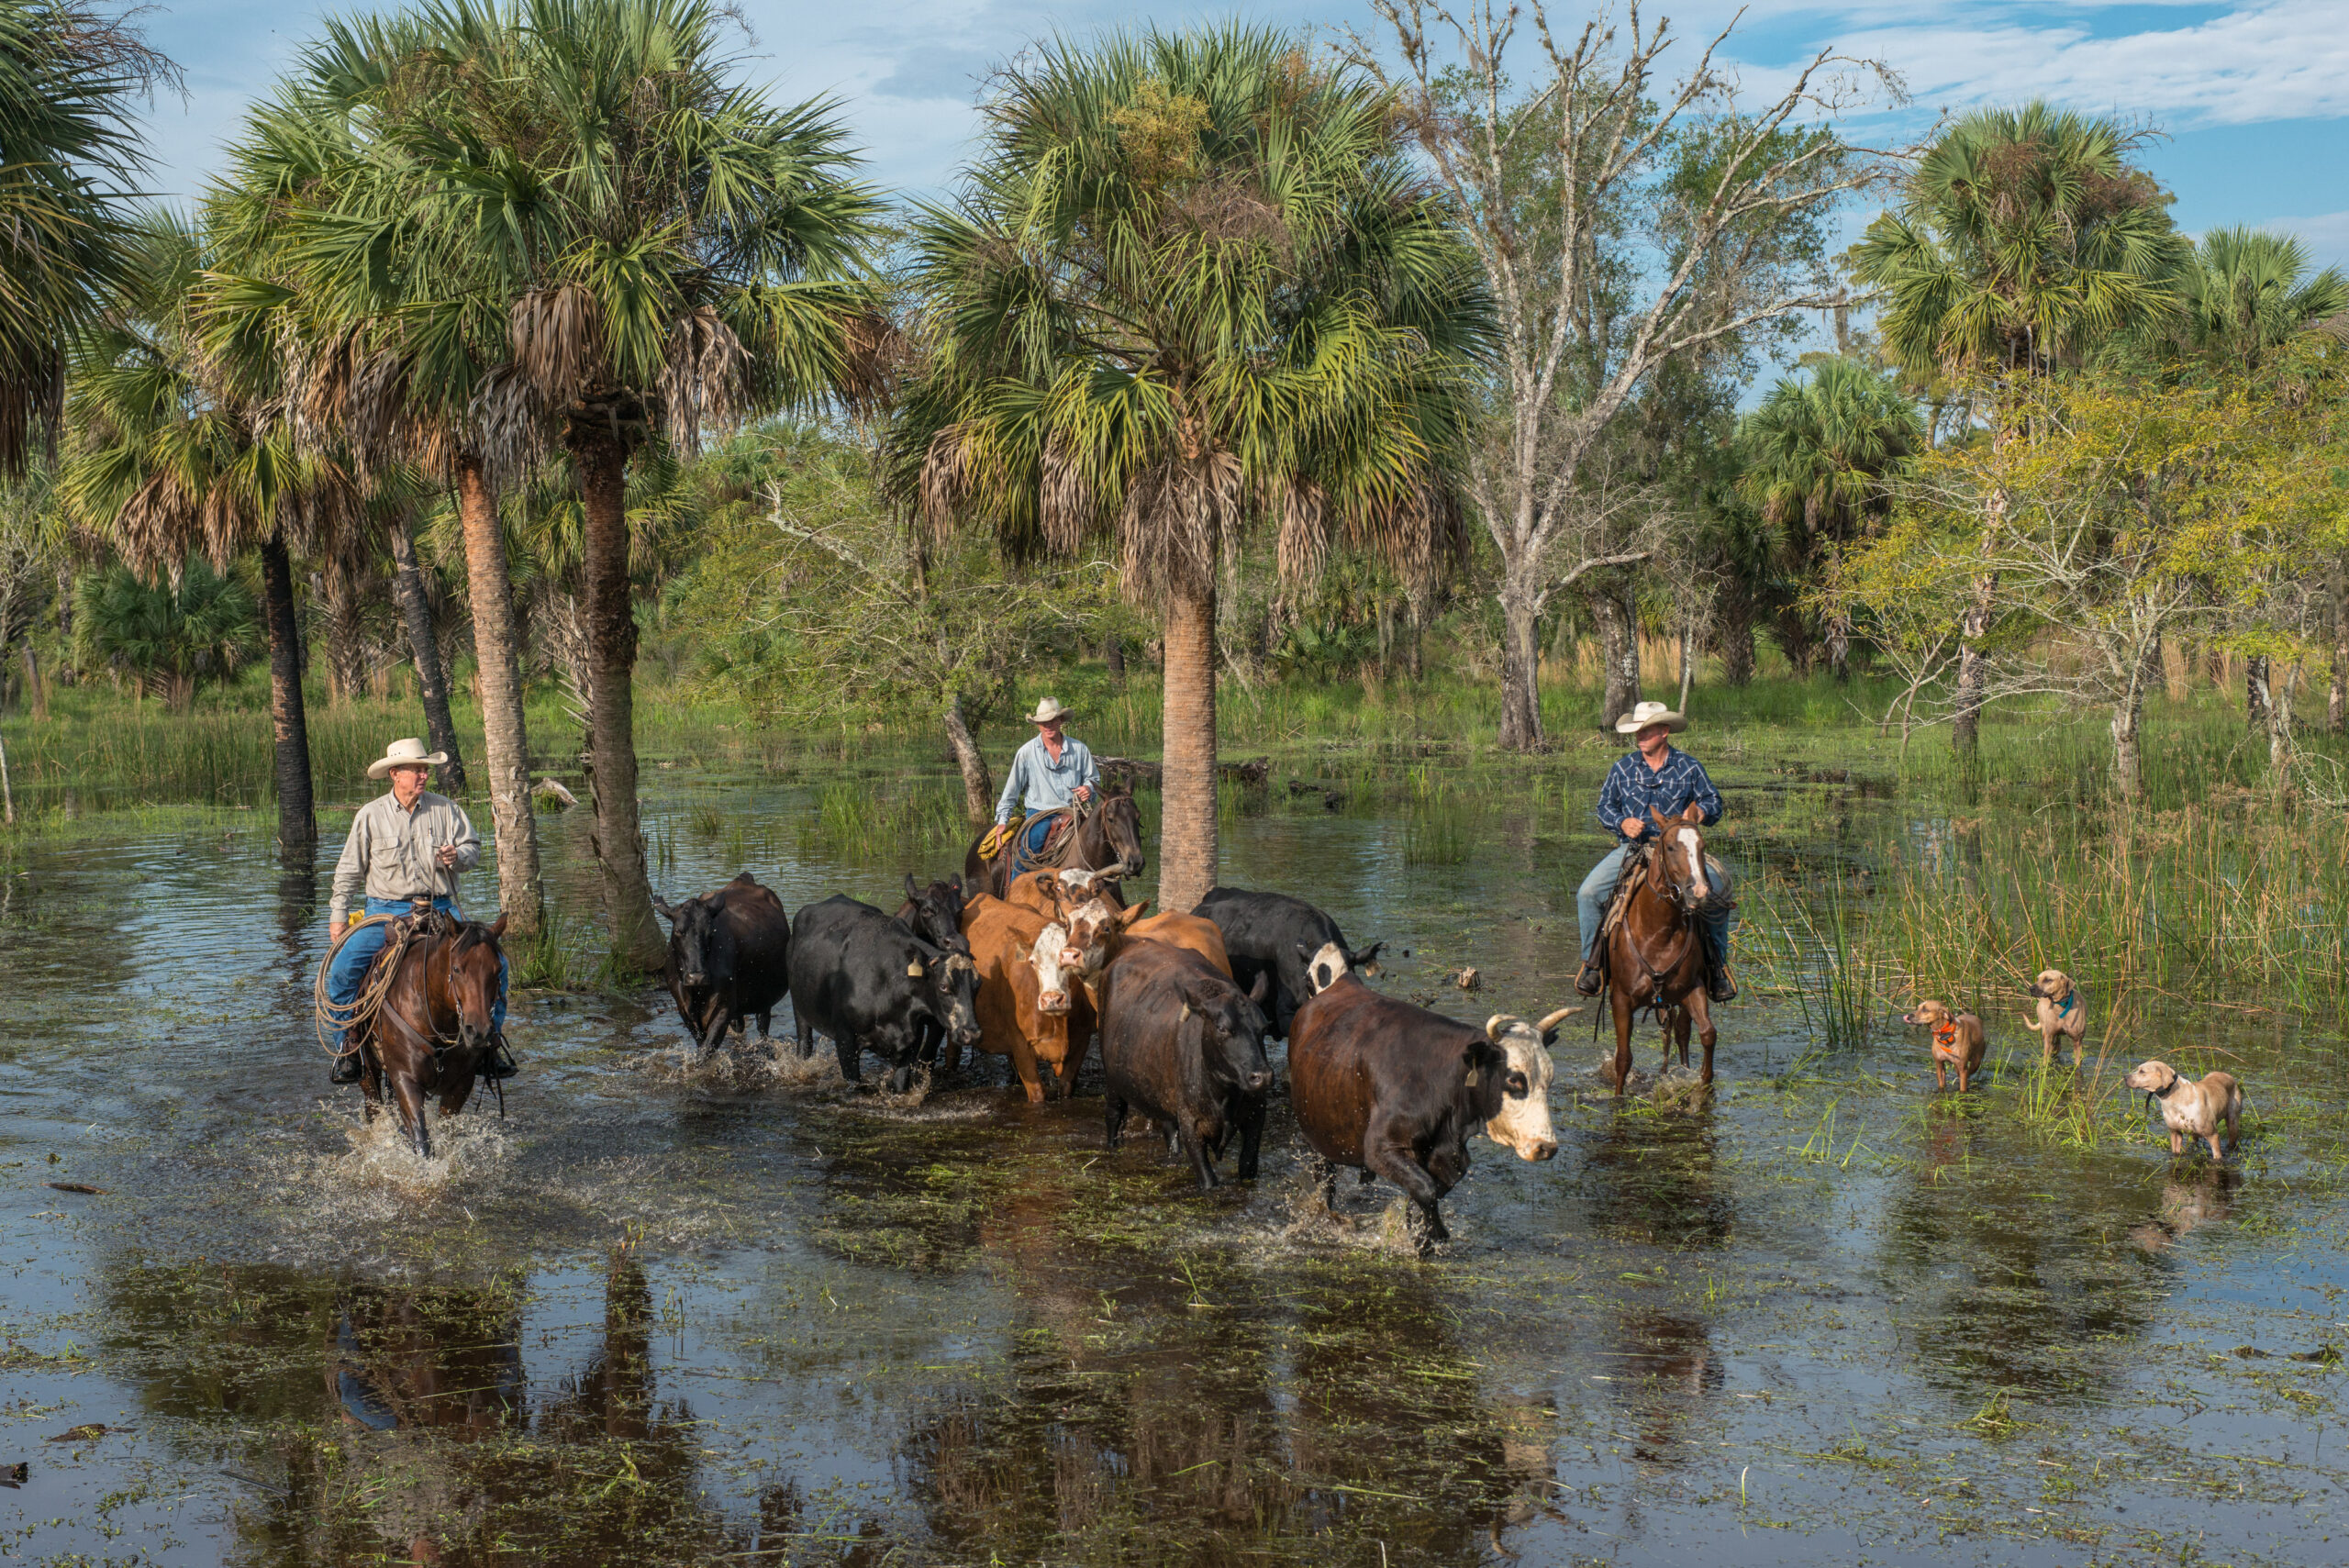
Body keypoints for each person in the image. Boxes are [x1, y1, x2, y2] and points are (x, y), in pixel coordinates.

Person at [324, 738, 515, 1085]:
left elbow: (474, 848)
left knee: (495, 968)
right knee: (341, 972)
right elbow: (349, 871)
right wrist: (339, 915)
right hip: (385, 913)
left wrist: (457, 857)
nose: (424, 775)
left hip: (441, 911)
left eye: (426, 769)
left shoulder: (447, 809)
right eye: (417, 768)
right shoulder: (370, 815)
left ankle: (491, 1043)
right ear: (395, 774)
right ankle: (348, 1050)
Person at [1574, 701, 1737, 1002]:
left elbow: (1714, 802)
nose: (1640, 736)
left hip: (1680, 852)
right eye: (1638, 730)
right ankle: (1593, 964)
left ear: (1664, 732)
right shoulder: (1622, 767)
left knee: (1715, 894)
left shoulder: (1689, 766)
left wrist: (1700, 812)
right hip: (1635, 849)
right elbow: (1603, 807)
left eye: (1646, 730)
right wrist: (1621, 822)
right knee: (1587, 894)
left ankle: (1717, 968)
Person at [993, 696, 1101, 860]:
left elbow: (1092, 779)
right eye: (1044, 722)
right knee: (1028, 853)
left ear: (1060, 720)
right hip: (1039, 814)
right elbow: (1012, 791)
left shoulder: (1079, 749)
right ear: (1038, 725)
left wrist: (1088, 788)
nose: (1048, 725)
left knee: (1103, 846)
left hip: (1074, 812)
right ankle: (1017, 884)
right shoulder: (1026, 752)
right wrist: (1002, 821)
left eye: (1052, 720)